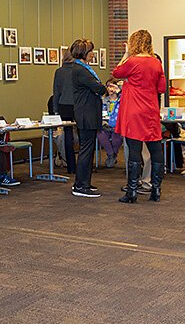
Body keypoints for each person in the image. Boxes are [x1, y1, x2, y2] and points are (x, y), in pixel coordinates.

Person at [112, 30, 167, 202]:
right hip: (150, 110)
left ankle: (132, 192)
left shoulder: (133, 61)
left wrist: (126, 54)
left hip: (134, 111)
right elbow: (162, 88)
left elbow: (116, 72)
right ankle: (156, 190)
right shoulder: (156, 63)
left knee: (134, 150)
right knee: (155, 149)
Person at [70, 39, 107, 198]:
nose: (93, 54)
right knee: (86, 151)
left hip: (88, 113)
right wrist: (106, 88)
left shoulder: (83, 68)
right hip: (86, 114)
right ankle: (80, 185)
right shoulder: (80, 70)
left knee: (88, 150)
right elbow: (98, 87)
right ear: (84, 53)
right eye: (91, 51)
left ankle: (84, 182)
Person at [52, 48, 77, 174]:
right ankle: (84, 166)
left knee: (68, 136)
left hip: (64, 105)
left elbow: (56, 92)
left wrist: (56, 110)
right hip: (78, 105)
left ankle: (71, 166)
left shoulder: (59, 71)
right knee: (83, 136)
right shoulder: (78, 70)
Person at [97, 78, 123, 168]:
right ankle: (112, 155)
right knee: (101, 134)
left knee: (117, 137)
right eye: (108, 86)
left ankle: (112, 156)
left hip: (118, 126)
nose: (110, 89)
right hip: (105, 125)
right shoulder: (103, 100)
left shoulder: (122, 100)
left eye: (112, 86)